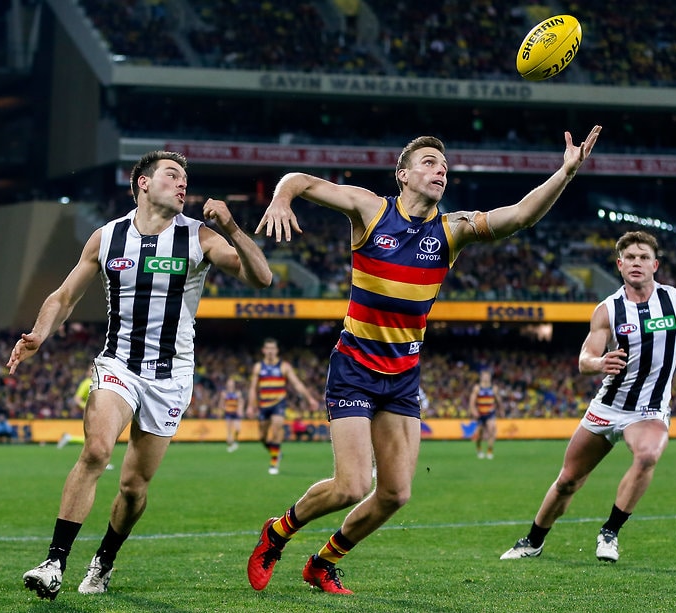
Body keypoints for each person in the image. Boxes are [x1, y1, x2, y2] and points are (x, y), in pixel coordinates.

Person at [247, 126, 602, 594]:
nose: (440, 171)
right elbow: (302, 180)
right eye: (430, 163)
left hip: (402, 376)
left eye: (445, 166)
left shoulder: (452, 230)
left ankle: (323, 562)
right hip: (354, 368)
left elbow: (518, 216)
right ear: (403, 174)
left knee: (395, 493)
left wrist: (565, 172)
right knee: (351, 485)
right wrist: (281, 199)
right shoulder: (370, 210)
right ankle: (276, 534)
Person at [8, 150, 272, 601]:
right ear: (143, 184)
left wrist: (231, 228)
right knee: (96, 450)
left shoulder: (199, 236)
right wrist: (38, 334)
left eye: (185, 177)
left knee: (133, 487)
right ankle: (54, 562)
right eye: (172, 174)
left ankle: (104, 560)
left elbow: (261, 278)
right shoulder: (107, 237)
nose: (182, 183)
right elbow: (65, 296)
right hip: (119, 365)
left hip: (171, 377)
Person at [500, 230, 676, 564]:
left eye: (644, 257)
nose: (636, 263)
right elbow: (584, 359)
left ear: (655, 265)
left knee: (647, 455)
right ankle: (533, 541)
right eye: (630, 257)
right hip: (607, 407)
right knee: (568, 481)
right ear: (619, 265)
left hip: (648, 409)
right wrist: (599, 363)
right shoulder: (608, 310)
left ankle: (610, 531)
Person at [247, 338, 318, 474]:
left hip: (278, 403)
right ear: (263, 350)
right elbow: (253, 388)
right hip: (263, 405)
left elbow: (297, 384)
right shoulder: (258, 367)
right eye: (268, 348)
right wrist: (250, 406)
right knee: (262, 437)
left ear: (277, 350)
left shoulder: (284, 366)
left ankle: (274, 463)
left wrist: (310, 399)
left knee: (276, 430)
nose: (270, 351)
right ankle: (276, 452)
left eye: (273, 348)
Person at [469, 369, 502, 459]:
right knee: (480, 434)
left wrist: (500, 409)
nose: (486, 378)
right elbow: (472, 401)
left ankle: (489, 451)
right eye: (484, 376)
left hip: (490, 413)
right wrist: (473, 411)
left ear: (490, 377)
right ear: (481, 377)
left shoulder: (494, 388)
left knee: (492, 430)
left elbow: (498, 400)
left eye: (488, 376)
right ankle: (479, 449)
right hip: (480, 413)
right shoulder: (477, 388)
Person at [219, 376, 245, 452]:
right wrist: (222, 409)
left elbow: (241, 402)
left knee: (237, 429)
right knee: (229, 430)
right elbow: (221, 403)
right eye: (229, 384)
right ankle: (231, 445)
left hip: (235, 412)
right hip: (228, 412)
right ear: (227, 385)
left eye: (232, 384)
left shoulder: (238, 393)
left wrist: (240, 410)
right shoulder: (224, 393)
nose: (230, 385)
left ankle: (234, 441)